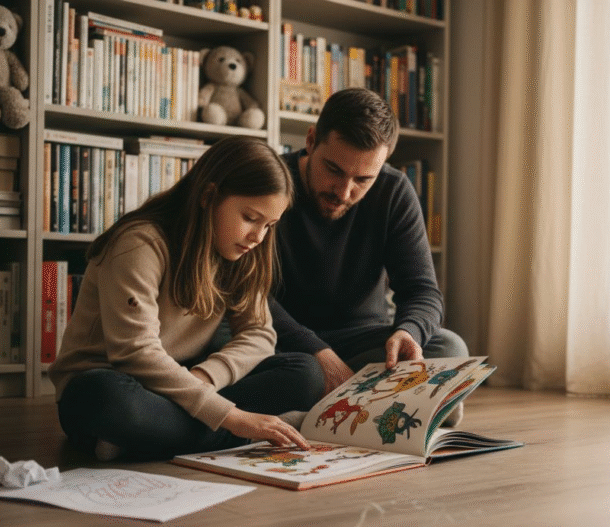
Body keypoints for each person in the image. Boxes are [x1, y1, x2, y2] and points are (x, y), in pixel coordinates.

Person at [51, 136, 322, 462]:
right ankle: (234, 435)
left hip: (181, 387)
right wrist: (234, 418)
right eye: (250, 218)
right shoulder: (139, 243)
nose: (258, 237)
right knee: (104, 399)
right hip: (116, 385)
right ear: (209, 196)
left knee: (306, 373)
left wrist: (204, 379)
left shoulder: (244, 253)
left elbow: (260, 334)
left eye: (269, 225)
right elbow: (135, 353)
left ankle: (147, 439)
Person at [270, 88, 470, 425]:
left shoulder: (394, 191)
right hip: (281, 341)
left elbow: (422, 291)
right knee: (298, 373)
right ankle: (401, 408)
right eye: (333, 169)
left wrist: (409, 333)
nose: (344, 192)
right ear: (310, 140)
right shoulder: (271, 182)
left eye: (363, 179)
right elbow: (249, 296)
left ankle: (319, 414)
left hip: (360, 341)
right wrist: (319, 354)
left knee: (449, 349)